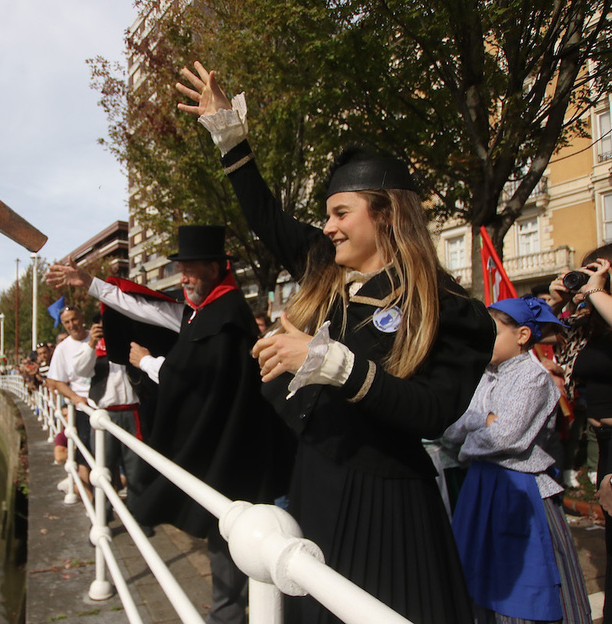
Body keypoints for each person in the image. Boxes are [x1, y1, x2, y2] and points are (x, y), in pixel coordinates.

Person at [176, 61, 495, 624]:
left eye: (340, 212)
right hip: (314, 481)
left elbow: (432, 412)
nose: (328, 227)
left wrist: (333, 364)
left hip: (389, 506)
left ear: (387, 215)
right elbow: (266, 217)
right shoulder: (326, 272)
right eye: (326, 215)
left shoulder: (454, 311)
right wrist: (230, 135)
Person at [47, 225, 290, 624]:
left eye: (191, 269)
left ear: (216, 267)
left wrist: (146, 363)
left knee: (230, 531)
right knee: (222, 530)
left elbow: (198, 379)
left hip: (234, 453)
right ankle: (229, 610)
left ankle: (232, 614)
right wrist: (90, 283)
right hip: (226, 446)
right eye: (182, 269)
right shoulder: (207, 309)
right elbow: (148, 310)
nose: (184, 277)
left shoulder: (225, 315)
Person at [441, 295, 590, 624]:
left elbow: (507, 435)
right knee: (477, 573)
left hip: (519, 493)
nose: (483, 341)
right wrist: (482, 420)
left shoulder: (533, 378)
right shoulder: (487, 376)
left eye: (492, 332)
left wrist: (474, 431)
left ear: (522, 335)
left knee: (522, 576)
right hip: (481, 487)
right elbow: (452, 428)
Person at [548, 247, 612, 620]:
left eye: (596, 270)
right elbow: (526, 334)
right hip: (604, 441)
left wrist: (595, 291)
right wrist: (557, 304)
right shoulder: (588, 323)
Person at [72, 314, 144, 499]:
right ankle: (103, 511)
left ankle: (138, 516)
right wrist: (92, 344)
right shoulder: (93, 348)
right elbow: (80, 370)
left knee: (135, 468)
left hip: (132, 412)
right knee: (104, 467)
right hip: (104, 415)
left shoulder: (132, 344)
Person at [46, 305, 94, 500]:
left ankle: (106, 499)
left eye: (74, 319)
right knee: (85, 454)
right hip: (82, 408)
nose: (72, 325)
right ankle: (91, 501)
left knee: (108, 454)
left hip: (106, 404)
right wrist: (75, 398)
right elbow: (56, 382)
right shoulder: (62, 349)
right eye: (67, 322)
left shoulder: (97, 336)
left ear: (82, 317)